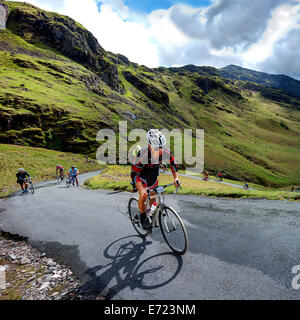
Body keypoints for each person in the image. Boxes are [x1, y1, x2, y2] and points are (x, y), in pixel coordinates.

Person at [131, 129, 180, 230]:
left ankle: (150, 214)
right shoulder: (142, 154)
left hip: (153, 172)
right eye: (156, 148)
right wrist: (139, 188)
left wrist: (176, 178)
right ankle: (143, 216)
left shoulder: (165, 151)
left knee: (154, 195)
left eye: (161, 147)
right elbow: (135, 173)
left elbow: (173, 164)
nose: (159, 150)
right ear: (149, 145)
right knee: (144, 194)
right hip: (140, 174)